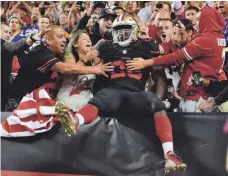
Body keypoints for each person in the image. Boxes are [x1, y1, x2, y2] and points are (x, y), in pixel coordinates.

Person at [57, 14, 187, 174]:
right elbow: (79, 57)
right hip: (114, 91)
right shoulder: (104, 46)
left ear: (135, 30)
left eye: (126, 29)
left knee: (156, 104)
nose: (122, 33)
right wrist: (93, 62)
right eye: (118, 29)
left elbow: (161, 71)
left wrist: (155, 87)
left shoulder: (147, 46)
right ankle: (75, 121)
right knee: (101, 98)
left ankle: (170, 155)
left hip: (136, 93)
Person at [127, 7, 227, 112]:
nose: (194, 22)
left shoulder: (204, 40)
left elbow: (177, 57)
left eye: (198, 19)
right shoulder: (218, 37)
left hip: (198, 97)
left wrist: (145, 63)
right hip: (202, 93)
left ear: (207, 20)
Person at [6, 24, 114, 111]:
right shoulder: (41, 52)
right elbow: (66, 69)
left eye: (64, 37)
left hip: (34, 101)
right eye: (59, 37)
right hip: (17, 103)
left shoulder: (54, 53)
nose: (64, 40)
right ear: (48, 40)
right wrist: (96, 69)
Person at [1, 23, 47, 110]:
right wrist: (32, 38)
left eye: (10, 33)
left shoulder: (7, 46)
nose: (8, 35)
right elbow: (17, 46)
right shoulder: (4, 45)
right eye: (5, 32)